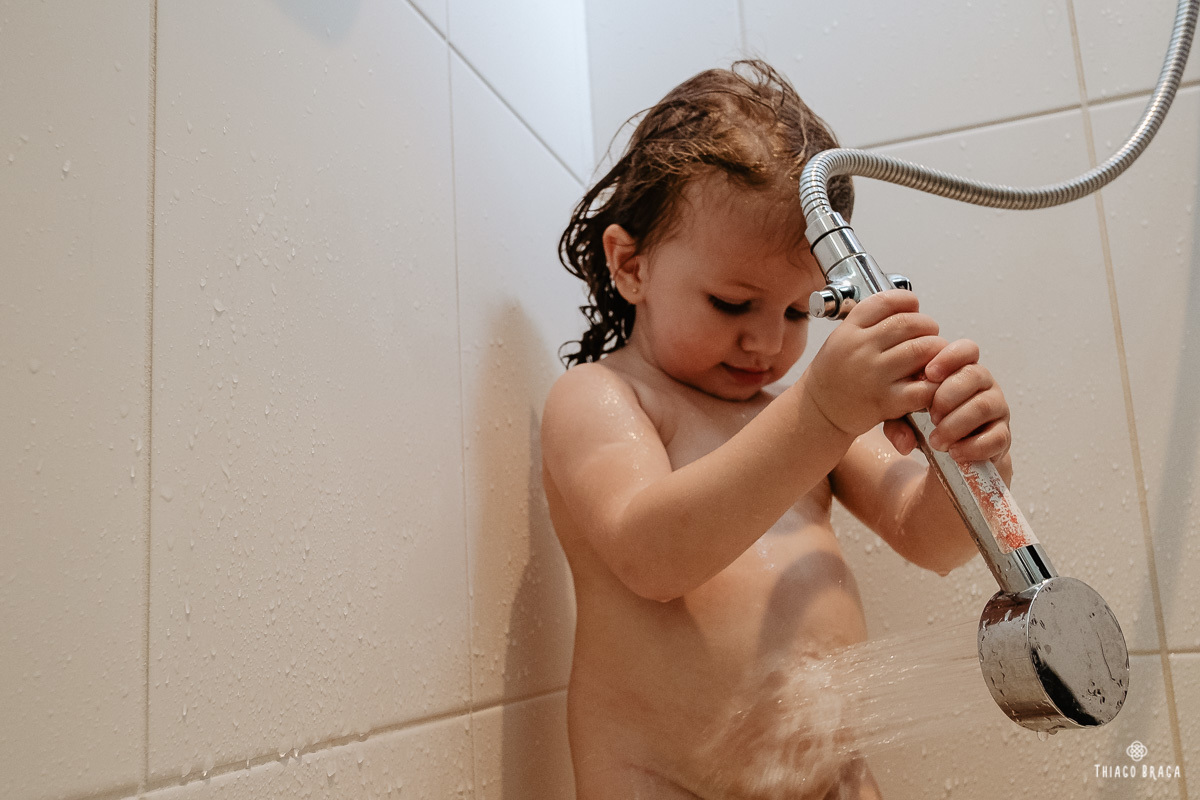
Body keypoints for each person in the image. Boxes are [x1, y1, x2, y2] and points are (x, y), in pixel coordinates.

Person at [540, 60, 1012, 800]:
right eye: (732, 304)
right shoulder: (602, 398)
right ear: (631, 265)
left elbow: (934, 542)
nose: (767, 344)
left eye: (798, 313)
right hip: (663, 782)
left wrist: (970, 457)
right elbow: (652, 557)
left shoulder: (787, 416)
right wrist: (821, 411)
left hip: (831, 781)